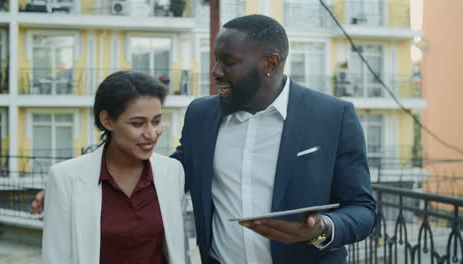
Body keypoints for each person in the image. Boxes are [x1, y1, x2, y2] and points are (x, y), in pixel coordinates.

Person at [33, 14, 376, 264]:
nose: (215, 72)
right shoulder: (202, 114)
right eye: (215, 60)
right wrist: (78, 183)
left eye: (228, 62)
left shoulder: (333, 116)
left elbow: (362, 209)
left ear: (270, 63)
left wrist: (320, 229)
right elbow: (175, 170)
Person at [41, 71, 187, 264]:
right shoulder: (65, 178)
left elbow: (179, 251)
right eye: (138, 123)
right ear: (107, 120)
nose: (152, 134)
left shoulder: (172, 172)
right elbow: (56, 257)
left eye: (157, 121)